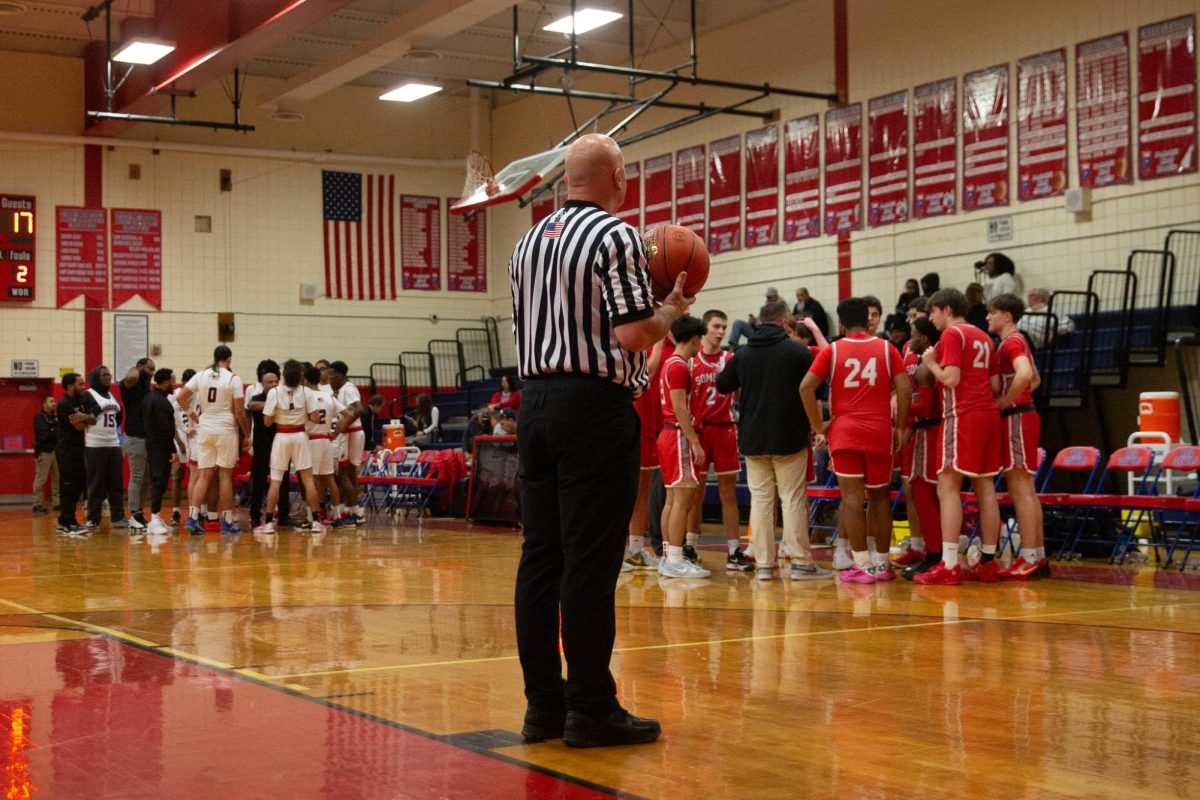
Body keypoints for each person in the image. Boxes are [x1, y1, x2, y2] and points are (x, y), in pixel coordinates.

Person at [509, 132, 685, 748]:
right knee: (589, 563)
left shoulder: (528, 241)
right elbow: (637, 334)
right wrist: (673, 307)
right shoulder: (617, 236)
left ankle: (542, 709)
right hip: (592, 409)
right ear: (614, 177)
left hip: (533, 406)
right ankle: (590, 708)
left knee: (540, 560)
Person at [717, 300, 829, 581]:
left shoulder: (743, 354)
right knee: (792, 499)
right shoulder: (798, 352)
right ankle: (802, 562)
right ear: (782, 322)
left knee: (761, 501)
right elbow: (820, 388)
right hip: (789, 437)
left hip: (753, 439)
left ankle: (765, 565)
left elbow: (722, 385)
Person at [803, 298, 910, 583]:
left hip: (846, 430)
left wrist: (818, 427)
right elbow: (904, 388)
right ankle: (882, 563)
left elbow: (806, 387)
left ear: (841, 323)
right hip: (879, 430)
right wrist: (899, 427)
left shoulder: (834, 349)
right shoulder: (887, 348)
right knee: (880, 497)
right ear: (868, 318)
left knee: (852, 498)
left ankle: (862, 564)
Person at [915, 289, 1004, 585]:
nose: (931, 319)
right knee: (986, 487)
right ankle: (988, 562)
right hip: (989, 415)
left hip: (962, 415)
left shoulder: (953, 335)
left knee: (948, 485)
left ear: (948, 310)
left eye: (934, 313)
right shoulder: (984, 336)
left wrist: (930, 364)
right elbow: (994, 385)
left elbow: (951, 379)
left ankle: (950, 563)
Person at [987, 294, 1047, 580]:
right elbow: (1035, 379)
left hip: (1017, 418)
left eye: (992, 313)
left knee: (1020, 487)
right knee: (1025, 487)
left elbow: (1025, 375)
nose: (987, 318)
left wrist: (1007, 401)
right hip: (1023, 414)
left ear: (1006, 316)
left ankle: (1031, 555)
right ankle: (1035, 555)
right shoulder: (1017, 340)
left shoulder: (1011, 342)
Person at [687, 310, 752, 571]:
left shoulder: (731, 358)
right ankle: (690, 546)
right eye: (715, 326)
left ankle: (734, 550)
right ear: (704, 328)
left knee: (728, 494)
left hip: (725, 429)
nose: (721, 331)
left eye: (724, 327)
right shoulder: (691, 361)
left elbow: (738, 395)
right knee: (695, 494)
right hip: (701, 432)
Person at [654, 315, 711, 579]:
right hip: (677, 435)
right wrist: (695, 441)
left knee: (673, 499)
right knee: (683, 500)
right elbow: (679, 408)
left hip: (669, 435)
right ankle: (676, 560)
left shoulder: (671, 363)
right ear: (696, 339)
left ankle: (669, 557)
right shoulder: (678, 366)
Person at [176, 346, 249, 535]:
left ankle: (192, 518)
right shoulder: (234, 378)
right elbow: (240, 413)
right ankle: (227, 522)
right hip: (225, 428)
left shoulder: (201, 375)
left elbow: (181, 397)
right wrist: (247, 434)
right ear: (229, 359)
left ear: (214, 358)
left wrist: (195, 417)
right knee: (225, 476)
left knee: (204, 475)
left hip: (205, 427)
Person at [898, 318, 945, 580]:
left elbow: (925, 408)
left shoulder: (925, 370)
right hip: (921, 432)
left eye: (913, 335)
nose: (909, 339)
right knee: (919, 494)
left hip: (928, 432)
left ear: (925, 339)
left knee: (923, 494)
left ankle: (935, 554)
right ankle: (931, 552)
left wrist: (900, 410)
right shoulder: (922, 364)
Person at [255, 360, 325, 533]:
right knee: (308, 481)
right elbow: (316, 418)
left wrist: (281, 413)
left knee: (276, 481)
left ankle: (270, 523)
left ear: (283, 375)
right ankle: (315, 521)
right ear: (300, 375)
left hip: (282, 436)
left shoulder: (275, 392)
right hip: (300, 435)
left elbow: (267, 421)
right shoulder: (307, 392)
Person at [624, 340, 665, 571]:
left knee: (643, 492)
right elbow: (646, 373)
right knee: (626, 493)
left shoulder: (675, 345)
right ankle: (612, 553)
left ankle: (636, 551)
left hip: (653, 427)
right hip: (633, 424)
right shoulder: (639, 342)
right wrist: (658, 344)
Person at [80, 365, 127, 529]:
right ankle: (93, 519)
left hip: (113, 444)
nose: (108, 377)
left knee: (116, 483)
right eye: (105, 375)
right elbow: (84, 418)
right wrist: (96, 409)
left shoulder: (112, 396)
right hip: (95, 445)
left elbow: (118, 418)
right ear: (95, 378)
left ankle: (118, 517)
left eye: (109, 375)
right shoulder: (88, 395)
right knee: (96, 484)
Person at [306, 364, 353, 526]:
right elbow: (349, 413)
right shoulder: (329, 397)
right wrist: (336, 432)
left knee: (310, 479)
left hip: (312, 440)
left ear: (305, 379)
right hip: (327, 439)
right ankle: (337, 516)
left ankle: (311, 517)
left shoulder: (306, 396)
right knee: (329, 478)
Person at [143, 368, 183, 535]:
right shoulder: (162, 402)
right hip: (161, 446)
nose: (174, 384)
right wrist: (173, 450)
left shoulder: (149, 398)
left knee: (158, 481)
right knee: (159, 481)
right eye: (172, 381)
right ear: (166, 382)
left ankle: (156, 517)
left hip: (153, 444)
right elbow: (166, 429)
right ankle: (154, 518)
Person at [328, 361, 366, 527]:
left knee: (343, 474)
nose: (330, 378)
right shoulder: (342, 390)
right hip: (353, 432)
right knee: (350, 474)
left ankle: (357, 513)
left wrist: (339, 429)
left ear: (341, 374)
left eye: (332, 374)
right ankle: (353, 512)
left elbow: (358, 409)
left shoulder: (348, 388)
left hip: (350, 433)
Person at [119, 357, 155, 529]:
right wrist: (139, 369)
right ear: (139, 367)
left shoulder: (147, 388)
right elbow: (132, 376)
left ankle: (139, 512)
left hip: (147, 437)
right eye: (149, 369)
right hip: (135, 437)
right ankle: (134, 513)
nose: (152, 373)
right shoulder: (129, 385)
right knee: (137, 476)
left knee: (147, 479)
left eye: (154, 370)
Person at [246, 366, 280, 529]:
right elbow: (251, 405)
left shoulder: (283, 397)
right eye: (270, 382)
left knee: (281, 481)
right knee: (258, 482)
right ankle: (254, 516)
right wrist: (272, 404)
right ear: (262, 384)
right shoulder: (256, 397)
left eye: (276, 381)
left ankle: (282, 514)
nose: (273, 384)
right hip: (261, 446)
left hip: (279, 444)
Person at [55, 373, 89, 535]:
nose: (84, 387)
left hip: (79, 449)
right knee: (68, 486)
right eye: (80, 384)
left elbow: (89, 418)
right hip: (67, 451)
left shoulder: (80, 401)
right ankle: (66, 521)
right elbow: (80, 427)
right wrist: (89, 419)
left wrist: (87, 418)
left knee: (77, 487)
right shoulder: (64, 404)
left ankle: (69, 520)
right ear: (70, 386)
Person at [31, 395, 59, 513]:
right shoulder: (39, 417)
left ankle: (57, 502)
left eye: (54, 401)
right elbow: (44, 435)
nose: (54, 403)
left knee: (57, 478)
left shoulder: (56, 418)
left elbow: (59, 433)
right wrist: (54, 430)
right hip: (44, 451)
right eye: (51, 401)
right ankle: (37, 504)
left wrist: (52, 430)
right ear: (44, 404)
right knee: (41, 478)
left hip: (56, 451)